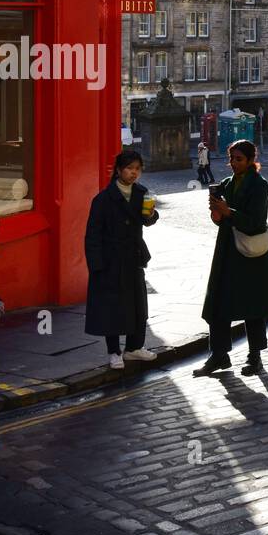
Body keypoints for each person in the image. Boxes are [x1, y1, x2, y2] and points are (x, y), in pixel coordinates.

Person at [195, 140, 268, 377]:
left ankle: (255, 357)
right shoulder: (228, 183)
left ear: (251, 160)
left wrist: (227, 211)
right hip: (228, 251)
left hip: (251, 255)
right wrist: (216, 211)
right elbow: (220, 218)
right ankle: (219, 355)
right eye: (231, 159)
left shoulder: (259, 185)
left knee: (253, 306)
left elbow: (255, 222)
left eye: (239, 159)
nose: (233, 164)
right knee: (218, 303)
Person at [85, 150, 159, 370]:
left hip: (133, 258)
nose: (133, 173)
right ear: (118, 170)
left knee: (138, 306)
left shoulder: (142, 193)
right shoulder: (103, 199)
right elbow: (92, 235)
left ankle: (134, 348)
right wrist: (96, 265)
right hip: (110, 261)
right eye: (129, 168)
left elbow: (149, 220)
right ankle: (114, 351)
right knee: (112, 307)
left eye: (137, 169)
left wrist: (151, 215)